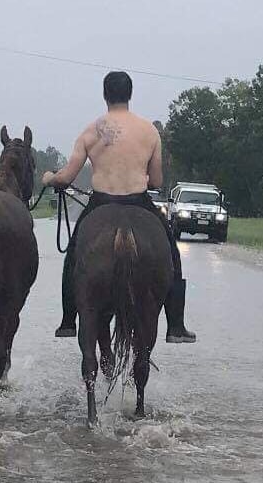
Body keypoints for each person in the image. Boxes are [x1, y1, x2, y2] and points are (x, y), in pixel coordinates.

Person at [42, 71, 196, 344]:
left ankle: (68, 320)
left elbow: (67, 177)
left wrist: (50, 178)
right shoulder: (149, 131)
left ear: (105, 95)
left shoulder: (91, 131)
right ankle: (176, 325)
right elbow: (157, 181)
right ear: (130, 94)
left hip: (101, 202)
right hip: (140, 203)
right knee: (172, 255)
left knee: (74, 257)